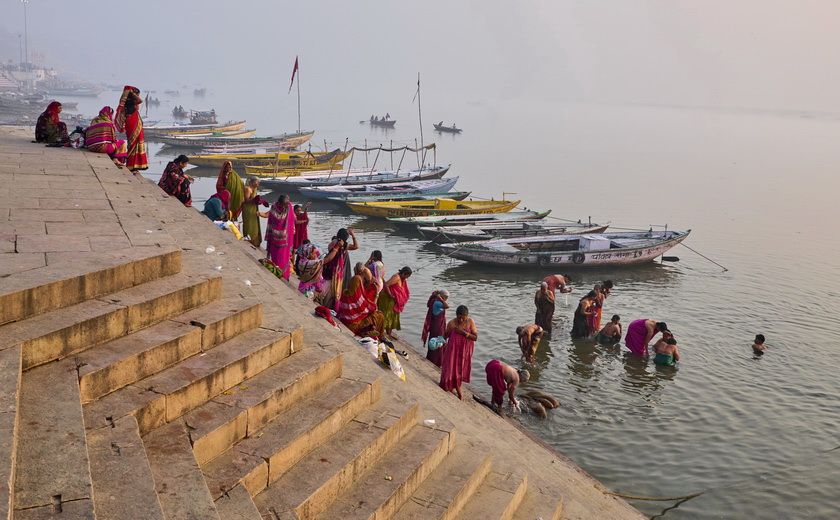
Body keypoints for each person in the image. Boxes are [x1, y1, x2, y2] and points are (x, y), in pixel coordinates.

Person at [336, 263, 384, 338]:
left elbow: (364, 303)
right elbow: (363, 306)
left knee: (376, 313)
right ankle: (378, 336)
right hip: (352, 323)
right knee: (379, 315)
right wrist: (372, 306)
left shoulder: (346, 292)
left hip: (347, 319)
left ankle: (375, 334)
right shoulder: (357, 281)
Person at [439, 305, 478, 400]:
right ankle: (458, 391)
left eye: (463, 318)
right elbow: (445, 336)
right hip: (452, 351)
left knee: (460, 369)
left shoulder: (470, 322)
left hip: (465, 352)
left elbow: (475, 337)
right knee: (452, 369)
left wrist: (464, 333)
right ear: (456, 315)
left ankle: (454, 387)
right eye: (459, 317)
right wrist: (438, 342)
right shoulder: (452, 323)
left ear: (467, 316)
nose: (461, 320)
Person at [321, 228, 358, 309]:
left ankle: (329, 305)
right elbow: (356, 246)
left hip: (334, 269)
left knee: (332, 290)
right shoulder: (338, 244)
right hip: (335, 270)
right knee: (334, 290)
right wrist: (353, 235)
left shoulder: (338, 244)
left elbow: (355, 247)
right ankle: (331, 306)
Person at [115, 85, 148, 173]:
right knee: (132, 144)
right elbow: (140, 100)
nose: (138, 95)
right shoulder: (129, 102)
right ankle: (131, 166)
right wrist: (131, 92)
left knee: (136, 143)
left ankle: (135, 166)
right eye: (137, 94)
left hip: (134, 123)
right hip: (132, 124)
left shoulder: (130, 102)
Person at [265, 194, 295, 280]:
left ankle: (284, 275)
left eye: (287, 203)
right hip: (276, 239)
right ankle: (277, 272)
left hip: (284, 241)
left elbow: (291, 222)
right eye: (285, 204)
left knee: (284, 258)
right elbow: (272, 220)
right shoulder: (276, 208)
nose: (286, 205)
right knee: (276, 257)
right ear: (280, 203)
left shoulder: (288, 207)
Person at [378, 266, 412, 339]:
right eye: (406, 276)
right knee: (387, 315)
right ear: (403, 274)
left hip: (392, 300)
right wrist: (390, 295)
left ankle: (388, 334)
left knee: (392, 316)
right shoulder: (396, 277)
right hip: (386, 298)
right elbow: (386, 284)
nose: (406, 278)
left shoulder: (402, 279)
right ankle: (381, 333)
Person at [421, 289, 449, 367]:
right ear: (442, 296)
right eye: (446, 297)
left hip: (436, 326)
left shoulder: (435, 301)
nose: (446, 299)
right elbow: (447, 306)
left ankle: (433, 359)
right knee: (438, 343)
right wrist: (440, 298)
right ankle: (436, 361)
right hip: (437, 328)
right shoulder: (437, 302)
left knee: (435, 342)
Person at [241, 177, 269, 248]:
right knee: (249, 225)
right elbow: (246, 201)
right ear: (253, 182)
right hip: (248, 210)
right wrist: (254, 200)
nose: (258, 184)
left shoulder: (254, 189)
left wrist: (260, 201)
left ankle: (255, 241)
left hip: (254, 209)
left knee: (255, 226)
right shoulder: (248, 189)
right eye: (257, 182)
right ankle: (249, 240)